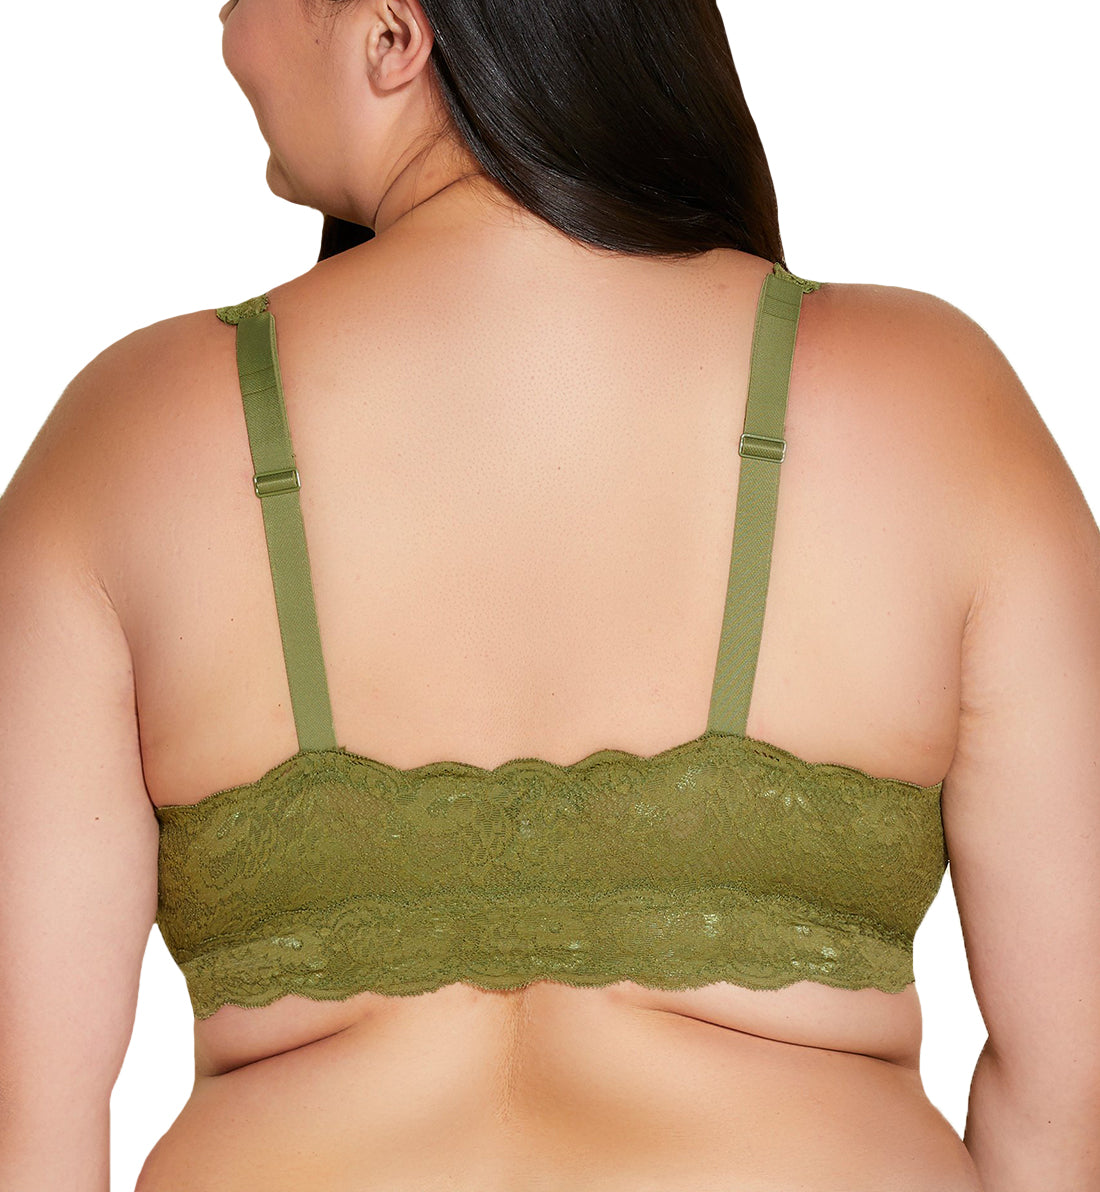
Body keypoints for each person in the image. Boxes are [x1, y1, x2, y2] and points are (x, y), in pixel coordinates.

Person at [1, 0, 1097, 1189]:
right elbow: (1069, 1093)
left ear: (392, 35)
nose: (228, 23)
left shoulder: (128, 437)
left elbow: (28, 1132)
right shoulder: (927, 402)